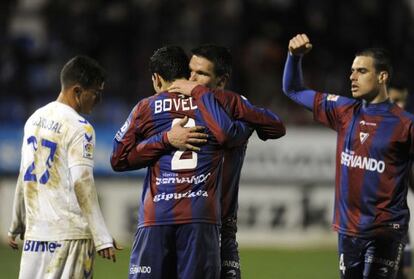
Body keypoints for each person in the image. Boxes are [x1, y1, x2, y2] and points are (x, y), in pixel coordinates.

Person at [112, 45, 286, 279]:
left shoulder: (156, 105)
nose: (191, 79)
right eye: (190, 71)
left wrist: (198, 95)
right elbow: (119, 159)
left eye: (200, 74)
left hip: (214, 224)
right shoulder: (228, 104)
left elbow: (275, 127)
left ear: (221, 80)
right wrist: (166, 139)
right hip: (202, 220)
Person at [283, 34, 414, 279]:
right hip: (348, 229)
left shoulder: (405, 124)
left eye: (361, 71)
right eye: (352, 71)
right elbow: (293, 89)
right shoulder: (343, 110)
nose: (352, 77)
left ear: (382, 76)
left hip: (385, 230)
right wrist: (294, 57)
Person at [8, 55, 119, 279]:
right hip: (70, 237)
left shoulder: (34, 119)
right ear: (77, 91)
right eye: (96, 93)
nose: (98, 100)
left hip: (36, 238)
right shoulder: (80, 128)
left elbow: (25, 176)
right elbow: (82, 181)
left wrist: (16, 223)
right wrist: (102, 236)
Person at [390, 85, 412, 279]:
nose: (401, 105)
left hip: (398, 222)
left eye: (402, 100)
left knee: (404, 273)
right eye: (396, 100)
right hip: (370, 226)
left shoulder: (407, 133)